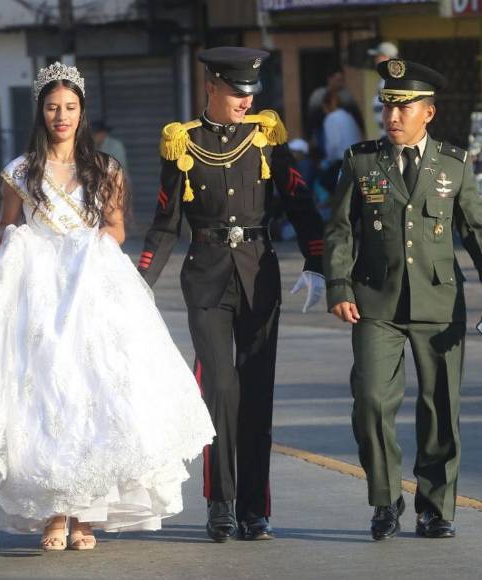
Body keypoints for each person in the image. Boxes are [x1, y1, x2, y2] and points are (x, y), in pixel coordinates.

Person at [0, 61, 215, 551]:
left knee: (94, 396)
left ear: (82, 112)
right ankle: (54, 511)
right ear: (41, 112)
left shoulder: (106, 169)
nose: (62, 116)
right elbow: (9, 228)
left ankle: (86, 515)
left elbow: (117, 229)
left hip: (90, 289)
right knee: (43, 397)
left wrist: (92, 243)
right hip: (37, 293)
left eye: (70, 107)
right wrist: (21, 244)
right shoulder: (21, 171)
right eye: (53, 107)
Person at [138, 47, 327, 542]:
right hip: (206, 276)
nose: (246, 101)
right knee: (219, 389)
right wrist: (138, 282)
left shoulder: (265, 138)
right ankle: (220, 503)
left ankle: (254, 509)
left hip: (258, 275)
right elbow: (165, 223)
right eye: (237, 92)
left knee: (257, 394)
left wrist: (317, 262)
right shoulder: (183, 142)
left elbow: (300, 201)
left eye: (250, 93)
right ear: (212, 87)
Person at [324, 59, 482, 541]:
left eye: (403, 108)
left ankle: (435, 508)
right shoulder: (361, 161)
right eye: (387, 107)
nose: (392, 117)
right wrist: (339, 285)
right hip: (375, 301)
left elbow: (475, 231)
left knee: (440, 409)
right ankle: (385, 498)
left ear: (428, 113)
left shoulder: (454, 163)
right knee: (371, 401)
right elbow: (340, 229)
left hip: (438, 303)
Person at [319, 89, 362, 193]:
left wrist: (328, 161)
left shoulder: (331, 118)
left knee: (323, 180)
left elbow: (333, 145)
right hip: (357, 160)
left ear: (327, 105)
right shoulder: (349, 116)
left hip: (342, 162)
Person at [367, 41, 399, 137]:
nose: (375, 60)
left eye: (378, 56)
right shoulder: (384, 79)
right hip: (387, 136)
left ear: (386, 57)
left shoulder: (393, 80)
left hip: (393, 137)